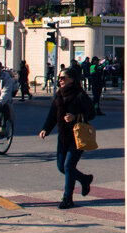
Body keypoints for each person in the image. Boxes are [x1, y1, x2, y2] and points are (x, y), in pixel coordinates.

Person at [38, 67, 95, 209]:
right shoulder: (59, 95)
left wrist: (76, 117)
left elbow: (91, 113)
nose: (60, 80)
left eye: (63, 78)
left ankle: (67, 198)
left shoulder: (80, 95)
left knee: (69, 166)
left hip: (77, 136)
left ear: (72, 79)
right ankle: (84, 179)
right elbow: (52, 114)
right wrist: (45, 129)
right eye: (59, 78)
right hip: (63, 136)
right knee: (61, 167)